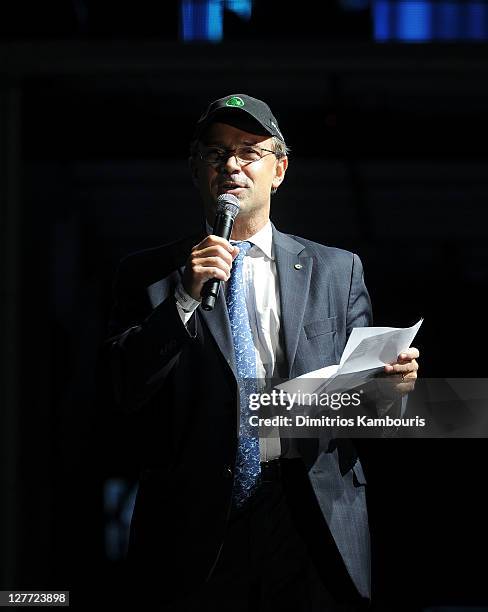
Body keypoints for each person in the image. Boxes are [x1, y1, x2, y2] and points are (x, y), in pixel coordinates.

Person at [101, 93, 419, 611]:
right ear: (196, 168)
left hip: (311, 514)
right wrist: (182, 295)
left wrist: (389, 392)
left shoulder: (338, 271)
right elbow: (120, 388)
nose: (232, 164)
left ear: (279, 170)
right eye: (216, 152)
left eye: (250, 150)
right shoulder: (148, 275)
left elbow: (365, 407)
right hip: (197, 523)